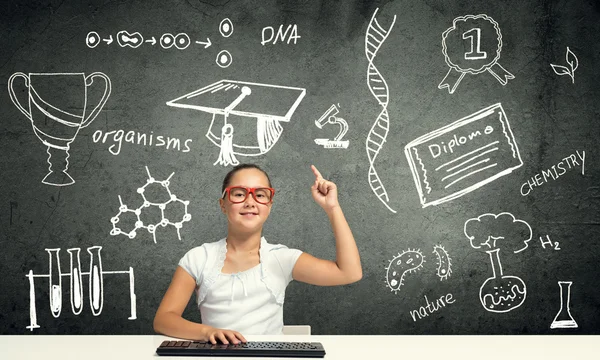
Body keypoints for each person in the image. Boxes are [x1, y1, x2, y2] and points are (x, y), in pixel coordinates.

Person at [153, 163, 362, 344]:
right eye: (239, 193)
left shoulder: (281, 258)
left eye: (260, 194)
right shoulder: (199, 258)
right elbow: (164, 319)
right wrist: (207, 332)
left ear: (269, 205)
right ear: (223, 204)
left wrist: (332, 208)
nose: (250, 202)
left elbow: (349, 272)